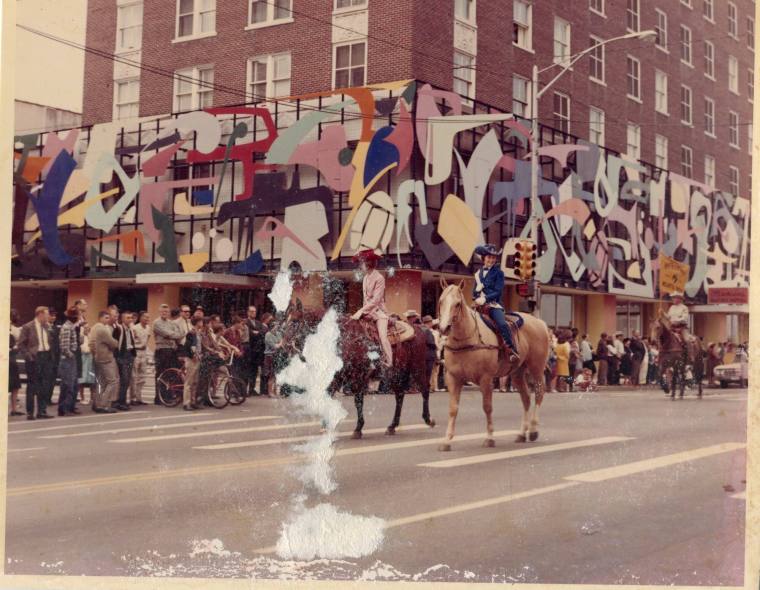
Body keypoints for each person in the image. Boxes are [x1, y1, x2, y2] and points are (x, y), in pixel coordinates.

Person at [472, 244, 519, 363]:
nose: (491, 260)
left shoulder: (499, 273)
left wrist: (485, 299)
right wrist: (476, 297)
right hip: (479, 305)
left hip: (493, 305)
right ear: (484, 258)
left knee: (502, 324)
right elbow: (474, 291)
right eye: (489, 257)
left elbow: (498, 292)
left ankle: (511, 350)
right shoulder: (478, 274)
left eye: (493, 258)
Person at [351, 249, 393, 368]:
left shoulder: (379, 278)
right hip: (367, 311)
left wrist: (360, 311)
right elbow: (366, 299)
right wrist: (363, 313)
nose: (360, 265)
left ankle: (389, 361)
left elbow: (375, 300)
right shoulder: (365, 278)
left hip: (379, 313)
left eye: (362, 263)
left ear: (368, 263)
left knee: (382, 337)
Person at [17, 306, 56, 420]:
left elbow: (51, 341)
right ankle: (30, 412)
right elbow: (21, 344)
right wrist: (28, 355)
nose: (48, 316)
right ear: (40, 314)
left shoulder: (47, 326)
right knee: (32, 385)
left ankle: (42, 411)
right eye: (47, 314)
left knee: (44, 385)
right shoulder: (28, 327)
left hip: (46, 356)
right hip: (35, 357)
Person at [89, 310, 119, 414]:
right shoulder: (102, 329)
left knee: (100, 382)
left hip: (97, 357)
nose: (108, 319)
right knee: (112, 381)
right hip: (106, 357)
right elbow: (113, 343)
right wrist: (116, 342)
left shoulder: (94, 327)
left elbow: (91, 343)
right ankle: (104, 404)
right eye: (106, 317)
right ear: (100, 318)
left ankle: (97, 403)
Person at [152, 304, 182, 405]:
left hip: (172, 350)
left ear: (169, 313)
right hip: (162, 350)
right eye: (163, 311)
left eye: (167, 312)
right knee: (160, 374)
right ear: (160, 312)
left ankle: (168, 396)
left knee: (170, 373)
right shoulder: (156, 323)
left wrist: (173, 335)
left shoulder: (171, 323)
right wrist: (173, 335)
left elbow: (179, 334)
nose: (165, 313)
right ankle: (159, 397)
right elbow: (167, 334)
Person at [57, 307, 81, 416]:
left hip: (71, 357)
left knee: (73, 384)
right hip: (68, 359)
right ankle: (64, 408)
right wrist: (71, 355)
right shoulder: (67, 327)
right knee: (67, 384)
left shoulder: (71, 327)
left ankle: (70, 406)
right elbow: (64, 346)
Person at [112, 311, 136, 411]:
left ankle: (122, 401)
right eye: (127, 318)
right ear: (122, 319)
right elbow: (115, 343)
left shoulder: (130, 329)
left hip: (130, 355)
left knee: (127, 380)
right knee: (124, 379)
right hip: (122, 356)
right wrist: (117, 356)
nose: (130, 320)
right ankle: (119, 401)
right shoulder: (119, 329)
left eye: (131, 318)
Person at [182, 316, 205, 411]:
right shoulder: (191, 333)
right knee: (189, 381)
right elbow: (191, 346)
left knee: (195, 381)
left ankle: (193, 401)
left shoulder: (199, 333)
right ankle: (186, 403)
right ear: (197, 322)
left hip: (198, 357)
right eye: (201, 321)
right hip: (192, 359)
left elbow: (199, 345)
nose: (202, 323)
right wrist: (194, 354)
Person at [130, 312, 151, 405]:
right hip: (136, 352)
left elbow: (148, 338)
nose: (147, 319)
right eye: (145, 317)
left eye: (148, 317)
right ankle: (132, 398)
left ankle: (139, 397)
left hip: (144, 352)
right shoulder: (135, 328)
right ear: (140, 318)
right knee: (134, 376)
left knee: (142, 376)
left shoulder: (148, 328)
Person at [245, 305, 267, 395]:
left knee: (254, 370)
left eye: (254, 311)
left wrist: (257, 333)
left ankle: (252, 389)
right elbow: (249, 334)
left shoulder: (259, 323)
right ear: (248, 312)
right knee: (248, 370)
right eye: (251, 311)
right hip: (249, 349)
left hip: (257, 351)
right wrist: (256, 333)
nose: (253, 313)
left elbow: (263, 332)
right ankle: (244, 389)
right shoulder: (245, 322)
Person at [8, 310, 22, 417]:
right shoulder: (13, 330)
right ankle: (13, 408)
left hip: (11, 359)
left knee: (14, 386)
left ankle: (14, 408)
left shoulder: (14, 329)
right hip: (9, 359)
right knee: (13, 385)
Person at [423, 316, 442, 393]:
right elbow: (431, 343)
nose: (431, 323)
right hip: (430, 353)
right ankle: (428, 387)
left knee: (432, 371)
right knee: (429, 371)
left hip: (428, 353)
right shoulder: (427, 331)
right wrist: (437, 347)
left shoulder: (424, 330)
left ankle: (432, 386)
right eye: (430, 322)